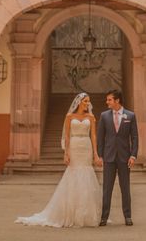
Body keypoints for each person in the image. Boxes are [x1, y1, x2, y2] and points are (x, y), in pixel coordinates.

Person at [15, 93, 102, 228]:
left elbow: (94, 136)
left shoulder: (91, 117)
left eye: (88, 101)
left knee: (86, 174)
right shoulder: (69, 117)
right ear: (79, 102)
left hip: (86, 147)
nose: (88, 104)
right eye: (85, 101)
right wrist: (66, 153)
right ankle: (69, 213)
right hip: (74, 146)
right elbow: (66, 136)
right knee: (73, 174)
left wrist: (96, 154)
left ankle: (86, 214)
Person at [96, 89, 138, 227]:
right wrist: (100, 155)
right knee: (107, 189)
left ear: (117, 100)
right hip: (108, 157)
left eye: (109, 99)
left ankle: (128, 217)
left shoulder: (130, 116)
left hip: (125, 158)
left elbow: (135, 137)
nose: (107, 102)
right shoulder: (104, 116)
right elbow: (100, 137)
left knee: (125, 188)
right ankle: (104, 217)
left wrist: (133, 155)